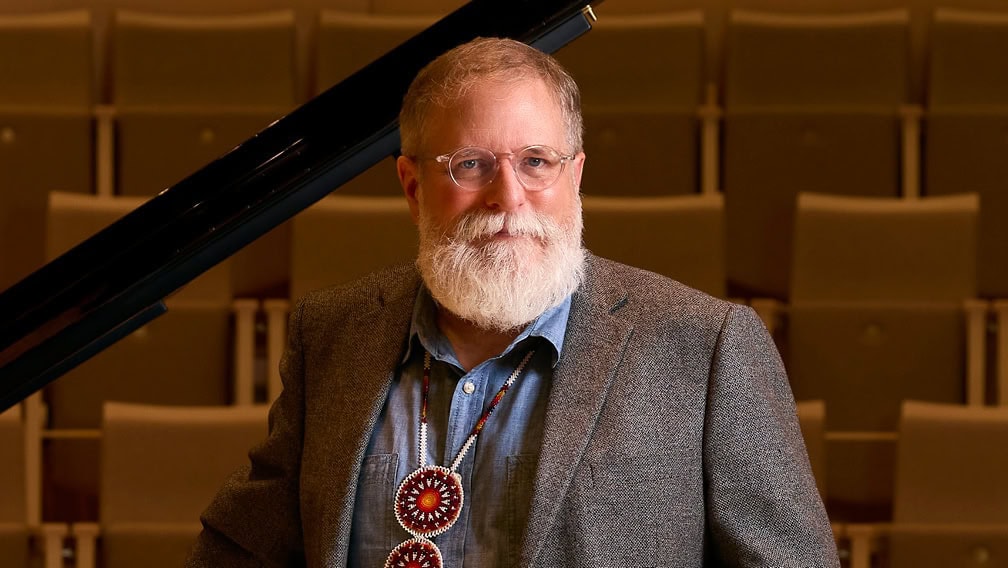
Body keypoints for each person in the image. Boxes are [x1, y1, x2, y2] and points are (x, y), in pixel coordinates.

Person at [187, 37, 840, 567]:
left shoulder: (706, 346)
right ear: (413, 188)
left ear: (575, 177)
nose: (508, 198)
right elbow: (241, 548)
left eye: (535, 161)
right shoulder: (333, 332)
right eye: (470, 164)